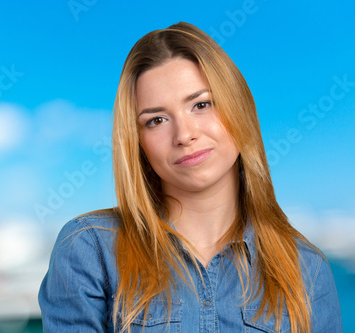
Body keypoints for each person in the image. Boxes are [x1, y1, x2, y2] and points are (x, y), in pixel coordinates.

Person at [38, 22, 343, 332]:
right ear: (137, 141)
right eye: (156, 120)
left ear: (239, 108)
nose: (184, 135)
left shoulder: (308, 269)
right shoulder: (90, 249)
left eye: (201, 104)